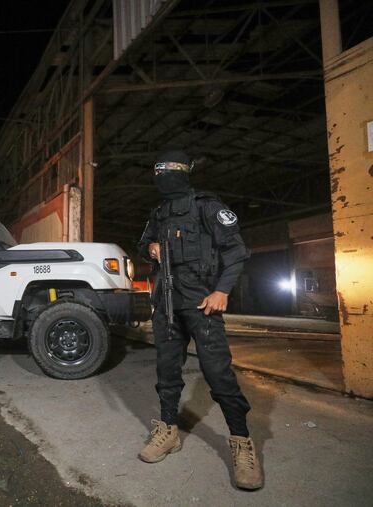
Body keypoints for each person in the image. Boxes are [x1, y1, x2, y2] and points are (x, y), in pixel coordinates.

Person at [136, 149, 263, 490]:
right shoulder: (159, 212)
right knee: (166, 372)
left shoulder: (207, 206)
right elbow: (142, 242)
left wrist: (222, 290)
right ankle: (168, 431)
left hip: (202, 303)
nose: (162, 178)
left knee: (218, 375)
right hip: (166, 303)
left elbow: (236, 252)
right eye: (157, 172)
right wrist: (151, 249)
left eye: (168, 172)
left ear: (184, 173)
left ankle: (241, 442)